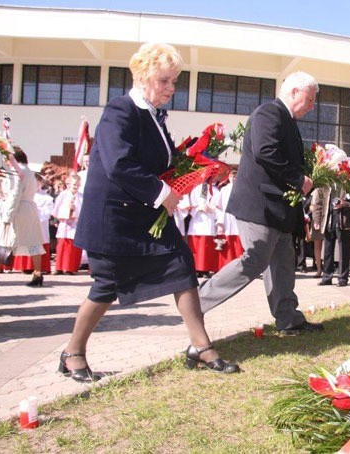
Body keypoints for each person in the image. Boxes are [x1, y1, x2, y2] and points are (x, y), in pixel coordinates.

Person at [62, 42, 239, 383]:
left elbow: (163, 163)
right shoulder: (120, 110)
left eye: (174, 81)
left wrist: (193, 167)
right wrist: (164, 193)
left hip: (145, 215)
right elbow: (119, 164)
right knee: (106, 286)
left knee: (182, 268)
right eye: (165, 81)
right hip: (115, 218)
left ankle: (201, 347)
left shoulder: (154, 116)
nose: (172, 89)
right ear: (143, 77)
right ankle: (73, 353)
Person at [197, 71, 322, 335]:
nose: (312, 106)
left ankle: (289, 318)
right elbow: (266, 152)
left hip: (279, 209)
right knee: (255, 259)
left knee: (283, 262)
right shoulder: (270, 113)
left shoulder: (287, 120)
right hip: (260, 206)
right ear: (294, 92)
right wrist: (298, 179)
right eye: (310, 99)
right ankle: (196, 302)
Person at [0, 148, 46, 287]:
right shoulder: (30, 172)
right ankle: (38, 272)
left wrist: (8, 215)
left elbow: (14, 194)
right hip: (29, 208)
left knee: (5, 240)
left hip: (17, 209)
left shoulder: (16, 171)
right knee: (33, 241)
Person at [318, 185, 350, 287]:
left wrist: (346, 203)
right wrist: (317, 219)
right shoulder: (326, 183)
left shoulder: (348, 183)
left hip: (342, 219)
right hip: (329, 219)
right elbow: (319, 202)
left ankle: (343, 279)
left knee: (344, 250)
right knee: (327, 250)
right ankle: (327, 277)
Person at [52, 174, 83, 275]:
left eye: (77, 185)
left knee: (72, 247)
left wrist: (75, 211)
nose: (76, 187)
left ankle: (69, 267)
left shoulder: (81, 196)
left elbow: (83, 210)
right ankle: (59, 267)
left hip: (75, 224)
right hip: (64, 223)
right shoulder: (63, 195)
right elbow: (56, 209)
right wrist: (66, 211)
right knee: (62, 245)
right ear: (68, 185)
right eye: (74, 184)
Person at [216, 169, 244, 269]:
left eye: (236, 177)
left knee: (238, 241)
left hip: (238, 216)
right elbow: (218, 206)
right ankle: (226, 265)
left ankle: (240, 264)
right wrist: (219, 222)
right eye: (232, 177)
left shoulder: (242, 189)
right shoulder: (224, 189)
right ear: (229, 178)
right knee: (227, 241)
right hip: (227, 217)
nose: (234, 179)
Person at [309, 187, 328, 278]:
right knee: (318, 246)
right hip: (318, 220)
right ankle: (319, 268)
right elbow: (315, 205)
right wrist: (316, 220)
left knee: (325, 246)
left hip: (326, 219)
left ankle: (325, 268)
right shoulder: (319, 188)